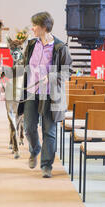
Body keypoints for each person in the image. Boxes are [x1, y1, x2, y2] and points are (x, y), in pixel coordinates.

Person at [20, 12, 72, 178]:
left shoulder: (60, 47)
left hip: (50, 95)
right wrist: (4, 71)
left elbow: (67, 72)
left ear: (43, 27)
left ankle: (46, 165)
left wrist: (50, 76)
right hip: (31, 92)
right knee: (28, 128)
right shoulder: (31, 45)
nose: (32, 28)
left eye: (35, 25)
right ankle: (35, 149)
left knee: (49, 131)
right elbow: (22, 67)